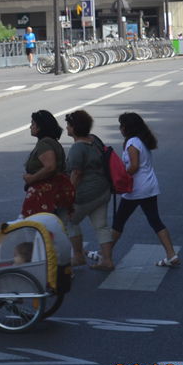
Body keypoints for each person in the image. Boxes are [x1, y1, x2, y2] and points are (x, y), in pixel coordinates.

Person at [101, 112, 179, 270]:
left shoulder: (132, 143)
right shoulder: (142, 140)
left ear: (127, 128)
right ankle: (171, 255)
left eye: (122, 126)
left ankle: (105, 255)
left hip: (136, 189)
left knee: (119, 222)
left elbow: (134, 166)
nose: (120, 129)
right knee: (155, 221)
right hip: (149, 186)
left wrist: (120, 176)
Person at [64, 110, 113, 270]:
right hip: (103, 190)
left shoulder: (77, 148)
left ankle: (78, 256)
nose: (67, 128)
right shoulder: (94, 139)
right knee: (101, 226)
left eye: (69, 125)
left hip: (86, 195)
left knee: (69, 221)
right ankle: (107, 260)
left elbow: (76, 173)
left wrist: (69, 196)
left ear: (75, 128)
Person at [21, 110, 72, 220]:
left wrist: (32, 178)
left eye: (33, 124)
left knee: (34, 225)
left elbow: (50, 167)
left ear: (40, 127)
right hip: (55, 192)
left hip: (45, 195)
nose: (30, 127)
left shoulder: (44, 144)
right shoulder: (52, 142)